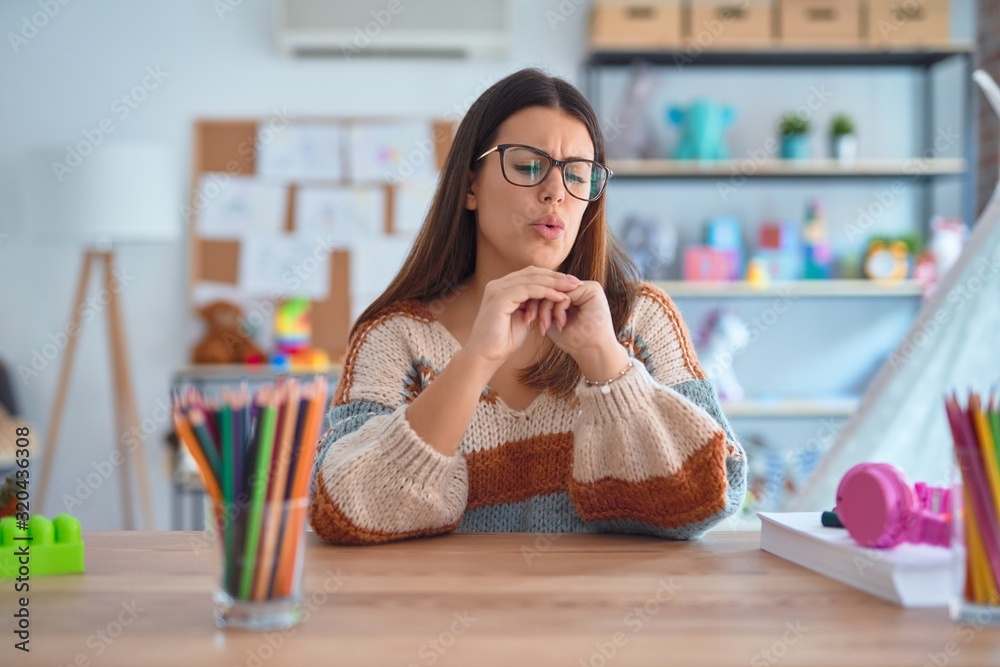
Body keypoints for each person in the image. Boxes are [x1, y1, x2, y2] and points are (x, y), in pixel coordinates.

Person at [309, 68, 747, 545]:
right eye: (528, 166)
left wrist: (605, 361)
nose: (556, 192)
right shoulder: (392, 337)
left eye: (578, 174)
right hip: (444, 615)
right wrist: (475, 361)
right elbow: (342, 512)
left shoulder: (640, 321)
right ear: (469, 186)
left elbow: (713, 494)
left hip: (604, 616)